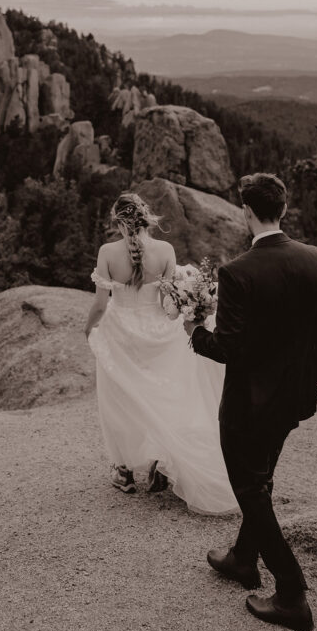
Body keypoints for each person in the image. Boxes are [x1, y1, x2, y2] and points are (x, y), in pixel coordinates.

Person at [187, 172, 317, 631]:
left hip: (249, 405)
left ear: (246, 212)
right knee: (263, 476)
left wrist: (194, 332)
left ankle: (291, 592)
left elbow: (227, 349)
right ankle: (241, 558)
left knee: (249, 489)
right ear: (284, 209)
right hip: (293, 397)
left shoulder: (238, 272)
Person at [85, 192, 237, 514]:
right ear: (145, 217)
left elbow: (100, 304)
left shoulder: (107, 253)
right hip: (160, 334)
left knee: (120, 399)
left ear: (117, 220)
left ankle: (124, 471)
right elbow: (169, 302)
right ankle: (157, 464)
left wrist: (89, 329)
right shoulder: (166, 250)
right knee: (160, 398)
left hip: (121, 334)